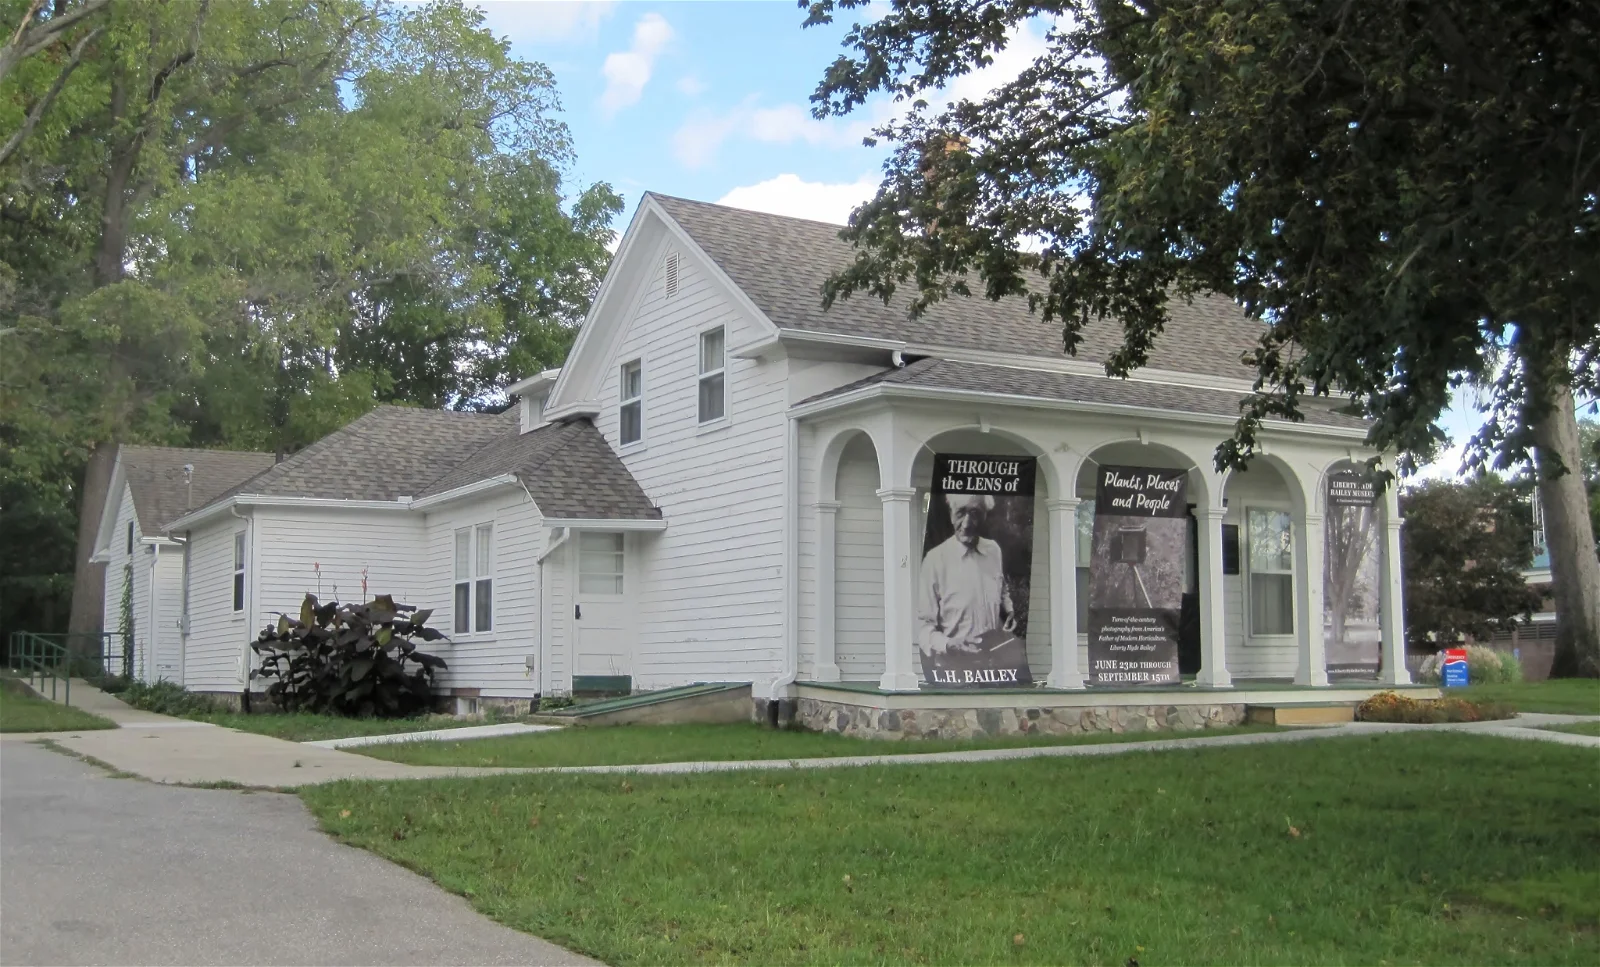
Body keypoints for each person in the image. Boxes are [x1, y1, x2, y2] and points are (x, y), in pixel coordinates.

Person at [917, 493, 1017, 666]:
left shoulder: (993, 551)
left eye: (975, 513)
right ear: (950, 514)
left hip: (992, 668)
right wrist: (948, 644)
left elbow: (1002, 589)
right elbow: (922, 627)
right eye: (960, 513)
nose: (967, 523)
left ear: (985, 515)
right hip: (954, 670)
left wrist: (1008, 610)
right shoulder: (934, 561)